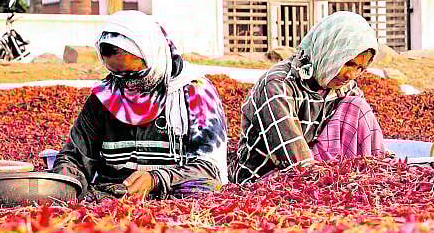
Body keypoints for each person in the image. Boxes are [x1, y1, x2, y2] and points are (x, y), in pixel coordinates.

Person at [52, 11, 228, 198]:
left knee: (204, 189)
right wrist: (63, 182)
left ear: (153, 56)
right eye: (116, 74)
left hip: (172, 193)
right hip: (114, 197)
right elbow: (75, 156)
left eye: (134, 73)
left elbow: (209, 169)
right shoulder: (104, 97)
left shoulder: (194, 93)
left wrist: (156, 180)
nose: (127, 83)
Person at [230, 11, 386, 184]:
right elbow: (295, 160)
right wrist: (333, 184)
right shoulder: (278, 84)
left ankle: (367, 179)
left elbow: (370, 139)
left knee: (356, 107)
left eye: (360, 68)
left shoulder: (343, 87)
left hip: (314, 171)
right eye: (348, 63)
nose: (351, 74)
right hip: (265, 178)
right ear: (329, 51)